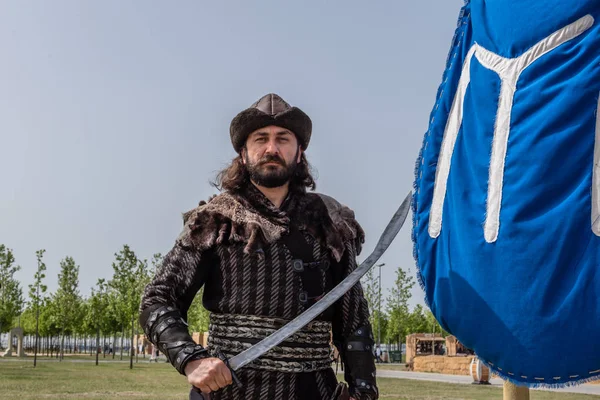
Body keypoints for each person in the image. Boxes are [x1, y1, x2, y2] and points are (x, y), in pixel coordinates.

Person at [139, 93, 378, 400]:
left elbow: (354, 322)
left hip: (315, 392)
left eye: (283, 139)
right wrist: (190, 358)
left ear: (299, 151)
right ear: (243, 153)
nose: (271, 148)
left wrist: (363, 392)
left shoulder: (328, 222)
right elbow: (158, 299)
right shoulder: (215, 219)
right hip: (232, 392)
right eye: (260, 139)